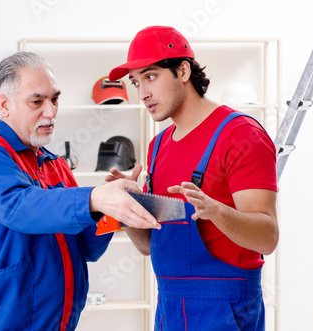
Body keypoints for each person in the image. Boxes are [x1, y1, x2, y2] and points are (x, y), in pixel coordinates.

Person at [0, 51, 160, 331]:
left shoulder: (56, 165)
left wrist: (111, 208)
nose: (50, 111)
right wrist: (95, 197)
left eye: (54, 99)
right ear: (4, 105)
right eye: (37, 101)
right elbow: (20, 207)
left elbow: (86, 246)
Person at [106, 26, 278, 330]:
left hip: (224, 310)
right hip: (169, 307)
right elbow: (150, 246)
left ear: (183, 70)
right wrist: (128, 210)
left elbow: (268, 237)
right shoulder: (157, 147)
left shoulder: (239, 135)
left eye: (151, 76)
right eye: (135, 82)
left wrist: (216, 212)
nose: (142, 92)